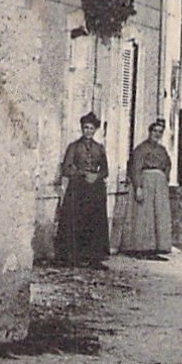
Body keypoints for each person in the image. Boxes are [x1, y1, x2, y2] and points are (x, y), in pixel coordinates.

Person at [57, 112, 110, 268]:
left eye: (91, 128)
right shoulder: (73, 147)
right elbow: (66, 168)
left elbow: (106, 170)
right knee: (76, 221)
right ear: (82, 128)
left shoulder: (99, 148)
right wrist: (82, 173)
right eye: (85, 127)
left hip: (95, 189)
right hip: (78, 189)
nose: (88, 131)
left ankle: (94, 258)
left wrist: (97, 176)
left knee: (95, 222)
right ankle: (74, 256)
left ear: (95, 130)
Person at [122, 119, 173, 259]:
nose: (157, 134)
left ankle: (155, 248)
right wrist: (138, 187)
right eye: (155, 131)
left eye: (160, 132)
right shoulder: (141, 149)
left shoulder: (162, 150)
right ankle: (141, 248)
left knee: (158, 215)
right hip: (146, 183)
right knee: (144, 215)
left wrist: (165, 177)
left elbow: (168, 164)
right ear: (150, 132)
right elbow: (135, 168)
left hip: (159, 186)